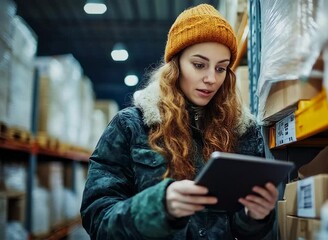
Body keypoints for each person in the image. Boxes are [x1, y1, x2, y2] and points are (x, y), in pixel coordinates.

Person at [80, 3, 278, 239]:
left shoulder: (242, 131)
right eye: (199, 65)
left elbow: (241, 230)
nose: (211, 79)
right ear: (175, 64)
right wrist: (159, 206)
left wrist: (253, 217)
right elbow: (97, 218)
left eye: (221, 68)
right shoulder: (131, 126)